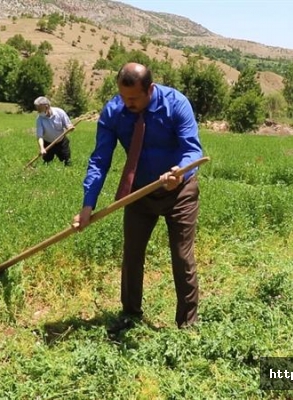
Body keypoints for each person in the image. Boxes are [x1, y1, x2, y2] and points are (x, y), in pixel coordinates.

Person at [72, 63, 204, 334]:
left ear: (150, 89)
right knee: (132, 254)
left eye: (133, 98)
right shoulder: (114, 112)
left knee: (181, 255)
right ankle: (130, 314)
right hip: (139, 191)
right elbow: (100, 159)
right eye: (123, 96)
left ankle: (188, 324)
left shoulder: (176, 104)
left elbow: (192, 150)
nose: (127, 103)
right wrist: (88, 204)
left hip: (179, 191)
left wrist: (180, 171)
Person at [34, 96, 73, 166]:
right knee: (47, 162)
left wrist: (70, 127)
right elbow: (40, 136)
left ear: (47, 106)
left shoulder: (60, 112)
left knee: (67, 161)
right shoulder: (39, 119)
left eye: (40, 109)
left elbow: (68, 125)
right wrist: (42, 148)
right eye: (37, 109)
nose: (38, 111)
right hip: (48, 143)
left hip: (61, 142)